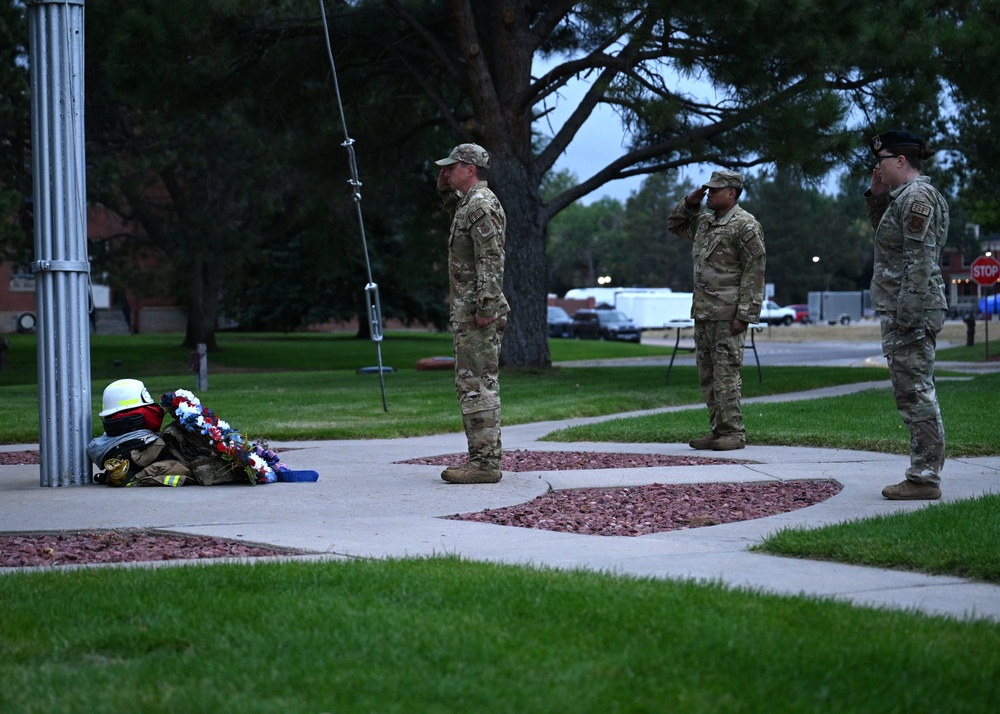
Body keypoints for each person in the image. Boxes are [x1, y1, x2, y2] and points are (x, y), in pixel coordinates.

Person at [864, 130, 949, 500]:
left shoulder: (917, 197)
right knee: (910, 392)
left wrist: (908, 314)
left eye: (881, 160)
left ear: (900, 161)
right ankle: (923, 473)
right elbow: (890, 240)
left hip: (910, 310)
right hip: (903, 308)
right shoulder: (901, 198)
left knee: (916, 394)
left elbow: (920, 257)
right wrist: (877, 198)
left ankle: (925, 477)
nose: (876, 168)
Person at [667, 170, 766, 451]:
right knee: (708, 376)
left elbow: (754, 272)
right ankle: (718, 430)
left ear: (732, 193)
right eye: (708, 189)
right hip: (704, 312)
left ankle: (734, 433)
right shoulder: (705, 221)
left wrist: (745, 315)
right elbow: (674, 225)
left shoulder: (745, 225)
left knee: (726, 375)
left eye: (715, 190)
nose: (709, 193)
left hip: (728, 314)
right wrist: (689, 202)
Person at [434, 143, 510, 484]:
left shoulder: (480, 205)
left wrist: (486, 307)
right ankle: (480, 459)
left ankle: (485, 464)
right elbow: (455, 213)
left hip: (477, 314)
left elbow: (491, 259)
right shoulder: (469, 203)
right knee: (472, 385)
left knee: (478, 386)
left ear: (470, 169)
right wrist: (443, 187)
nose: (447, 171)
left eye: (452, 167)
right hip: (468, 311)